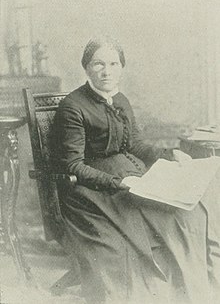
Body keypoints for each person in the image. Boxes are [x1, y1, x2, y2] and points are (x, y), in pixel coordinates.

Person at [52, 37, 219, 304]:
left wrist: (169, 154)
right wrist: (117, 182)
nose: (106, 71)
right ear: (86, 69)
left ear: (121, 68)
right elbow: (73, 166)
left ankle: (192, 292)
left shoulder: (120, 99)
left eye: (113, 64)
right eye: (98, 64)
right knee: (140, 239)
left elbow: (135, 144)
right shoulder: (72, 107)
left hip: (130, 180)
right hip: (91, 191)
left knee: (188, 215)